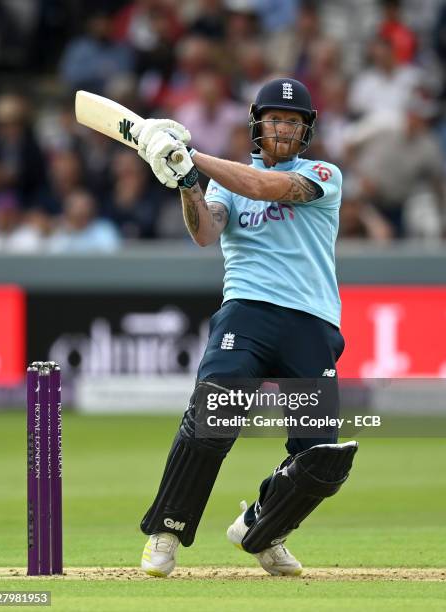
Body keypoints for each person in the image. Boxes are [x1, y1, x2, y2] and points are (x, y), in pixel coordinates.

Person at [132, 78, 358, 577]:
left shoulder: (323, 174)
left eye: (293, 122)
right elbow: (204, 232)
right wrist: (186, 182)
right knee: (214, 415)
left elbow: (262, 186)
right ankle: (165, 532)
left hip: (311, 321)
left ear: (306, 131)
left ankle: (262, 527)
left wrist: (188, 155)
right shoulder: (222, 183)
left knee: (322, 455)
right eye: (275, 119)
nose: (283, 129)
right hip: (248, 313)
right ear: (258, 124)